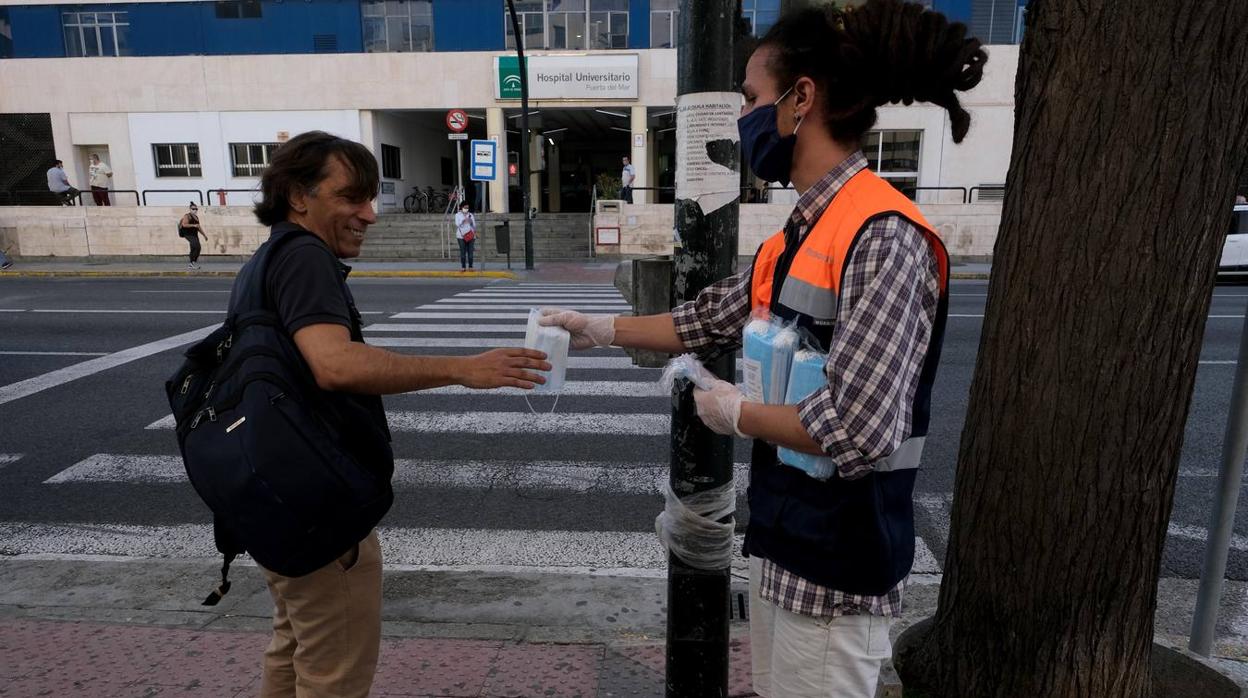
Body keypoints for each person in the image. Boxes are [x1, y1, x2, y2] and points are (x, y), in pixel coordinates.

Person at [540, 2, 983, 695]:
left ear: (801, 97)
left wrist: (738, 414)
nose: (743, 118)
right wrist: (598, 328)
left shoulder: (882, 235)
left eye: (750, 98)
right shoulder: (798, 235)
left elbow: (861, 429)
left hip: (839, 567)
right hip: (784, 544)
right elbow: (704, 320)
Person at [240, 130, 547, 698]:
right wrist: (462, 368)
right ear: (299, 196)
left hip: (273, 500)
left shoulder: (269, 259)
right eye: (352, 197)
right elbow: (333, 365)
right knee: (334, 676)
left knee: (294, 646)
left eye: (371, 197)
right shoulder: (306, 256)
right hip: (317, 511)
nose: (369, 214)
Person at [178, 202, 207, 270]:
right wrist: (193, 225)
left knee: (197, 248)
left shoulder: (196, 217)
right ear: (190, 209)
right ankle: (191, 263)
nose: (195, 210)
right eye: (193, 209)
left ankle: (192, 263)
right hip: (188, 234)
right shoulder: (187, 216)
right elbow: (184, 224)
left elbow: (198, 227)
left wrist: (204, 235)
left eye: (196, 209)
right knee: (196, 246)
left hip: (194, 234)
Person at [454, 200, 476, 271]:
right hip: (461, 236)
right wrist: (463, 221)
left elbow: (474, 226)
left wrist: (471, 222)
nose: (466, 209)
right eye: (465, 207)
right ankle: (463, 267)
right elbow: (457, 224)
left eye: (467, 208)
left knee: (470, 253)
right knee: (463, 252)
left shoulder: (470, 215)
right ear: (461, 207)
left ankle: (470, 266)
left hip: (470, 235)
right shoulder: (457, 215)